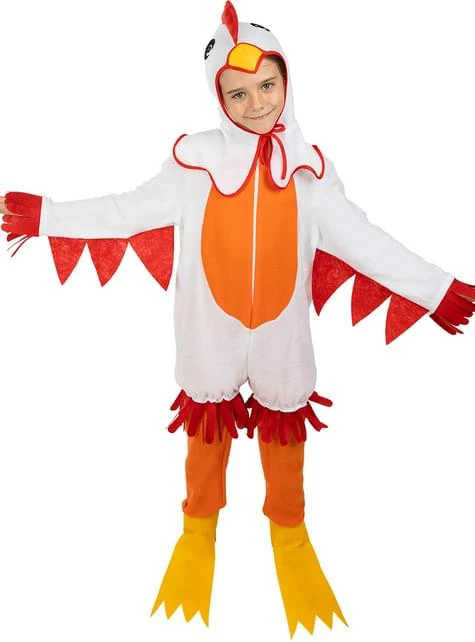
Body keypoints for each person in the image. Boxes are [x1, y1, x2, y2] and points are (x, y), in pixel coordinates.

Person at [2, 1, 475, 638]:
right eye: (239, 93)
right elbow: (124, 212)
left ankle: (290, 535)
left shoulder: (308, 173)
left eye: (268, 85)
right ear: (218, 98)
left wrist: (435, 288)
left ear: (287, 81)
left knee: (286, 437)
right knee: (205, 434)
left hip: (282, 340)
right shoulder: (194, 167)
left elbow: (366, 243)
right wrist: (48, 216)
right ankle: (198, 531)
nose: (257, 104)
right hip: (209, 335)